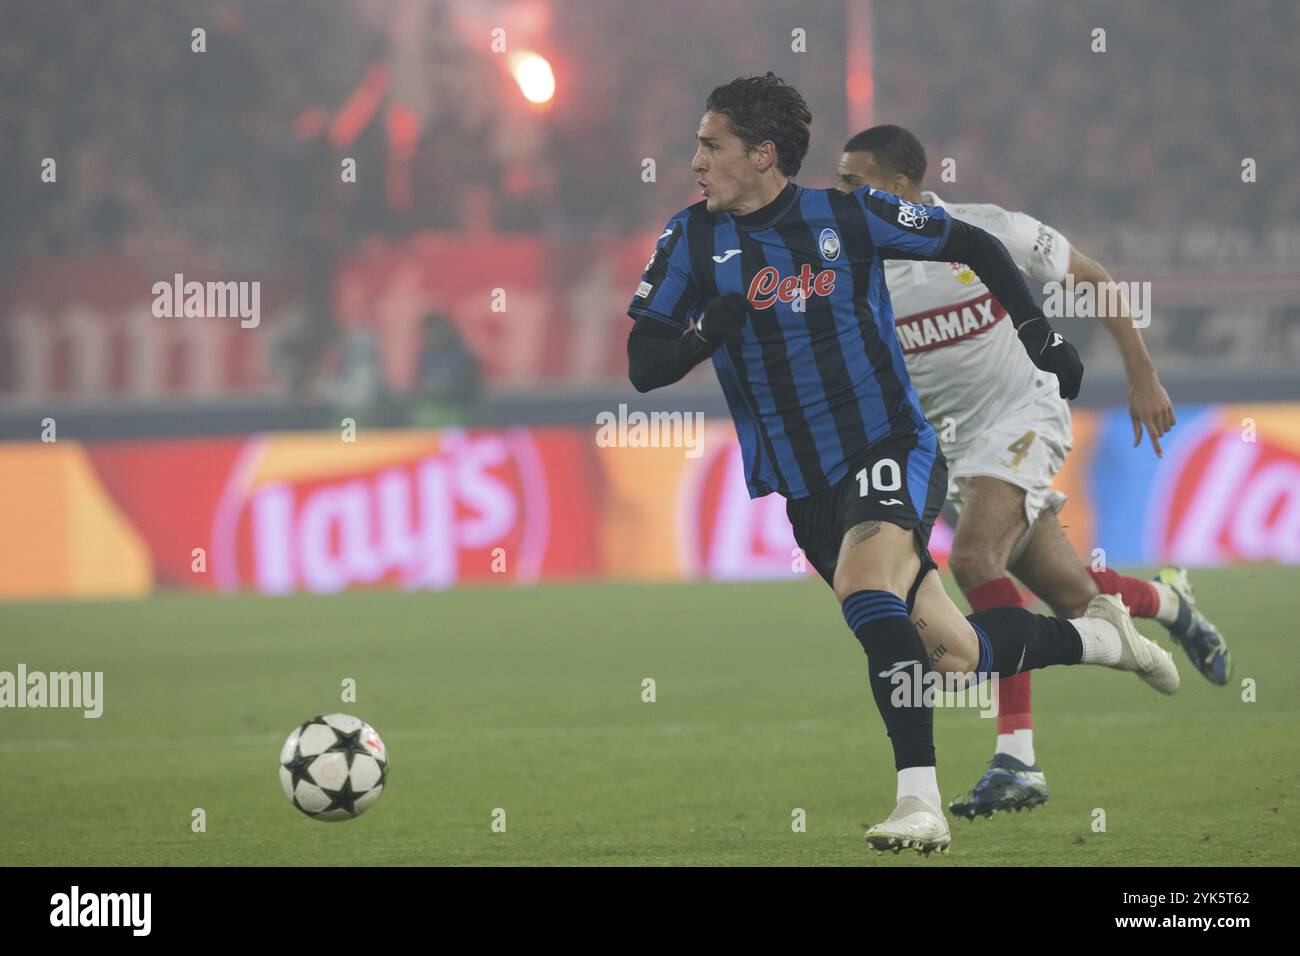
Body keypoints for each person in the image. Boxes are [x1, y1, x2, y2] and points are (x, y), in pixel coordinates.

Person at [625, 73, 1178, 856]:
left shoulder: (846, 213)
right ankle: (1101, 638)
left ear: (763, 154)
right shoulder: (689, 240)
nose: (695, 162)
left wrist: (1038, 336)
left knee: (865, 582)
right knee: (953, 655)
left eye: (710, 145)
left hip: (891, 444)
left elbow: (973, 243)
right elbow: (644, 363)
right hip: (805, 482)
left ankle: (919, 801)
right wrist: (703, 335)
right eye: (697, 146)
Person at [835, 126, 1232, 819]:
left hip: (1024, 417)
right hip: (952, 451)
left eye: (852, 182)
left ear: (898, 189)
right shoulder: (852, 271)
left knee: (974, 557)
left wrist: (1141, 375)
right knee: (1071, 596)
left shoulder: (986, 231)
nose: (840, 195)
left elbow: (1096, 280)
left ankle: (1017, 759)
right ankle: (1169, 603)